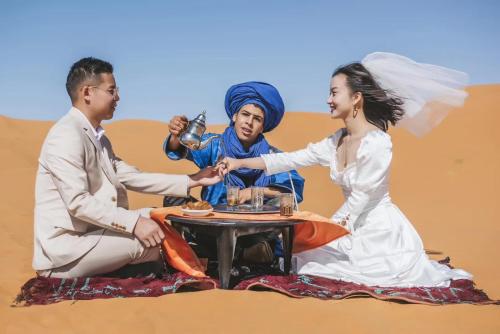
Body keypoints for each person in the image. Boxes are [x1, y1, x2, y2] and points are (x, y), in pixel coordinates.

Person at [218, 53, 472, 287]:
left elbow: (360, 199)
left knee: (322, 266)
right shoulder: (336, 140)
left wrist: (325, 230)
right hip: (346, 225)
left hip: (379, 233)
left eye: (334, 93)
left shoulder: (377, 143)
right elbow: (292, 159)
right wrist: (240, 163)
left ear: (356, 98)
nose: (328, 100)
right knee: (306, 261)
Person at [33, 57, 221, 279]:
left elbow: (132, 177)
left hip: (92, 236)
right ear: (87, 93)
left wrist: (194, 180)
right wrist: (133, 224)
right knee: (151, 243)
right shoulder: (66, 135)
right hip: (66, 251)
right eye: (111, 90)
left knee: (155, 218)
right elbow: (78, 202)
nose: (118, 97)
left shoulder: (97, 137)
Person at [163, 82, 305, 263]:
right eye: (245, 114)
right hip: (212, 225)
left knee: (283, 204)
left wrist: (253, 192)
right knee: (174, 197)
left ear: (263, 126)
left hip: (253, 231)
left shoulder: (272, 156)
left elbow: (293, 191)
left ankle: (234, 253)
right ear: (235, 116)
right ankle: (233, 255)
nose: (249, 122)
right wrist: (176, 135)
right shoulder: (215, 144)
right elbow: (181, 148)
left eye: (257, 119)